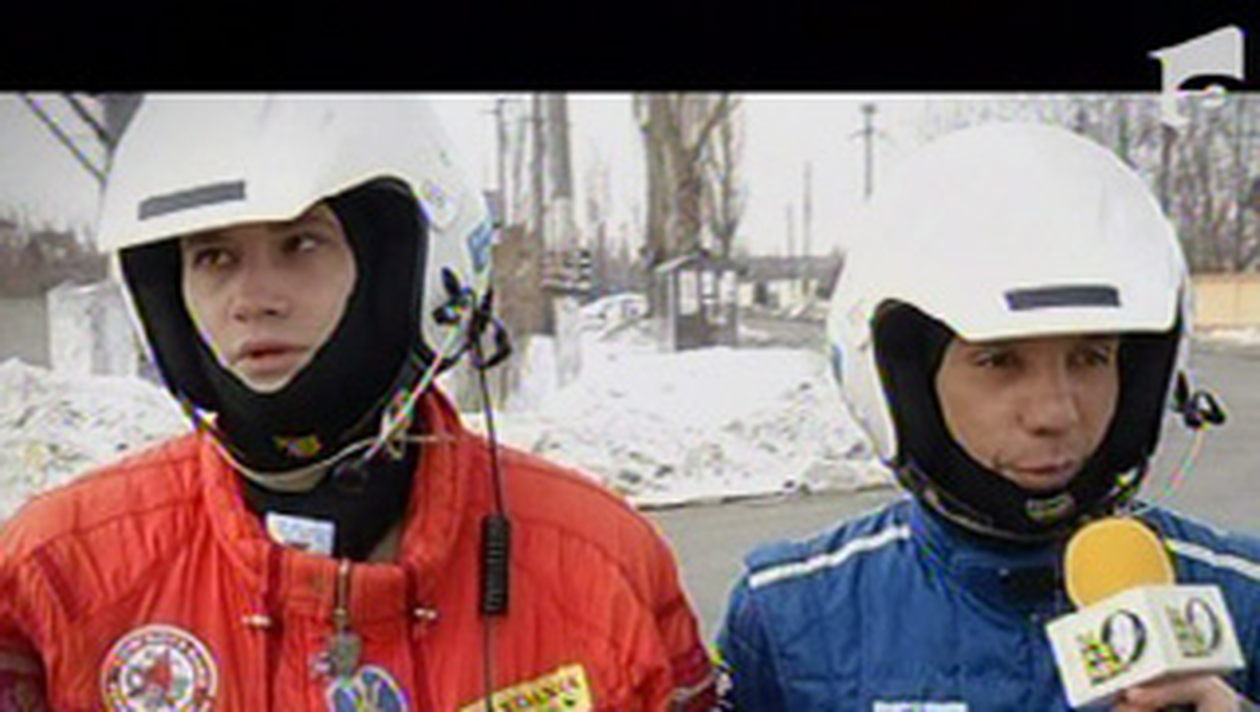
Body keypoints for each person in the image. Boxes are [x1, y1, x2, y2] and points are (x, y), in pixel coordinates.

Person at [0, 95, 716, 711]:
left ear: (402, 270)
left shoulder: (600, 562)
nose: (252, 299)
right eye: (214, 258)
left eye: (301, 244)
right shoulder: (57, 575)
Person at [716, 122, 1260, 711]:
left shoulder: (1244, 595)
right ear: (907, 384)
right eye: (1000, 361)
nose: (1055, 413)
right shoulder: (793, 614)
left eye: (1089, 357)